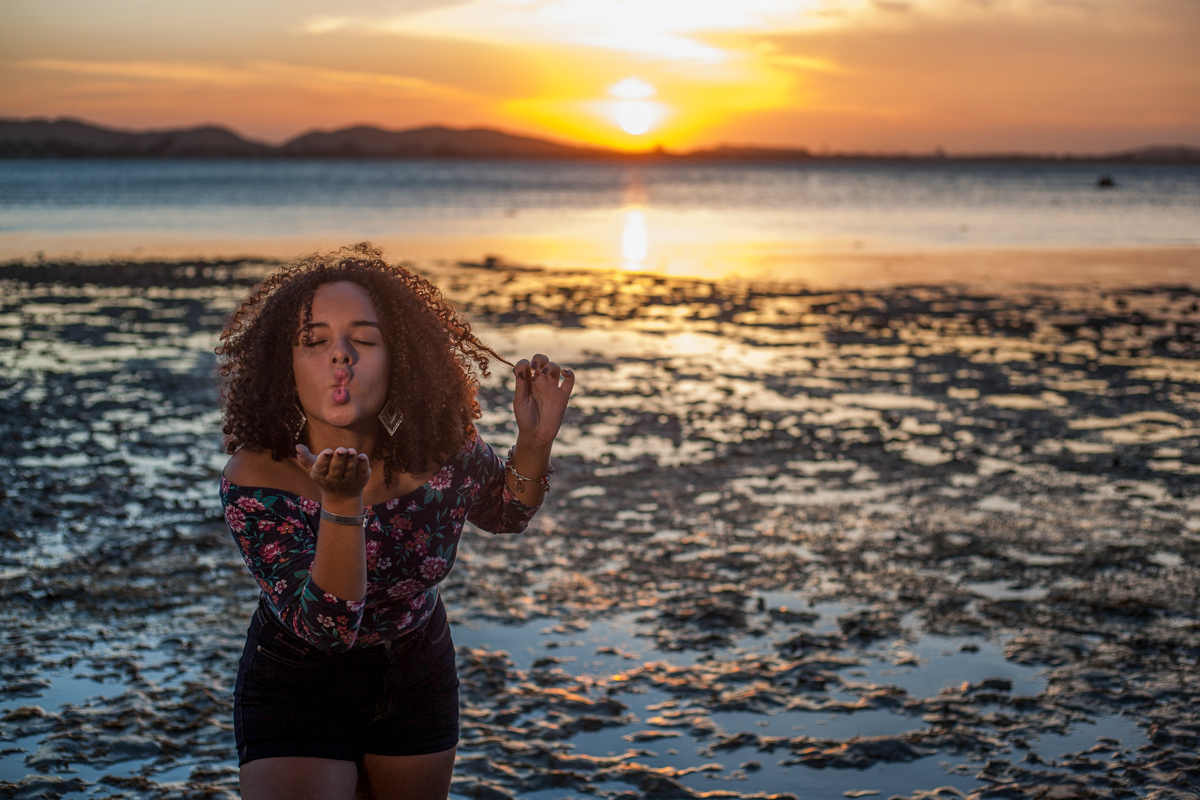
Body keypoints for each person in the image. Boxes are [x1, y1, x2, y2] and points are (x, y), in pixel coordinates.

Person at [215, 243, 573, 800]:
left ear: (398, 358)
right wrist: (342, 503)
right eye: (315, 342)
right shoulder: (258, 477)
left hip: (417, 668)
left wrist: (535, 438)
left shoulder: (440, 448)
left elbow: (505, 514)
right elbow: (328, 629)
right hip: (296, 677)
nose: (341, 357)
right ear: (284, 365)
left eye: (363, 340)